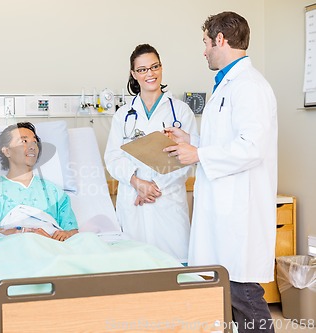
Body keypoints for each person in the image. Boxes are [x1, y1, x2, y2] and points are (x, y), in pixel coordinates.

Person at [163, 12, 277, 333]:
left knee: (243, 294)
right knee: (226, 293)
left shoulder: (249, 86)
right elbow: (225, 143)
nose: (203, 51)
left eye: (205, 43)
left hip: (237, 213)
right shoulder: (226, 85)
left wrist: (198, 153)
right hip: (223, 210)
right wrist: (192, 141)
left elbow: (252, 147)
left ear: (220, 40)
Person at [104, 44, 198, 263]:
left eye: (154, 67)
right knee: (135, 270)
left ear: (161, 68)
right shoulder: (123, 115)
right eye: (143, 69)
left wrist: (153, 188)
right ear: (134, 74)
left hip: (167, 201)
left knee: (175, 269)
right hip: (133, 199)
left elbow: (189, 158)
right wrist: (137, 182)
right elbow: (112, 157)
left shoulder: (181, 111)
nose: (150, 74)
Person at [0, 122, 79, 245]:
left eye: (34, 142)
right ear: (7, 151)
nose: (32, 146)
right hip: (15, 247)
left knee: (90, 239)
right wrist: (26, 233)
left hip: (53, 247)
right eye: (24, 141)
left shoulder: (54, 192)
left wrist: (66, 234)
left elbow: (72, 232)